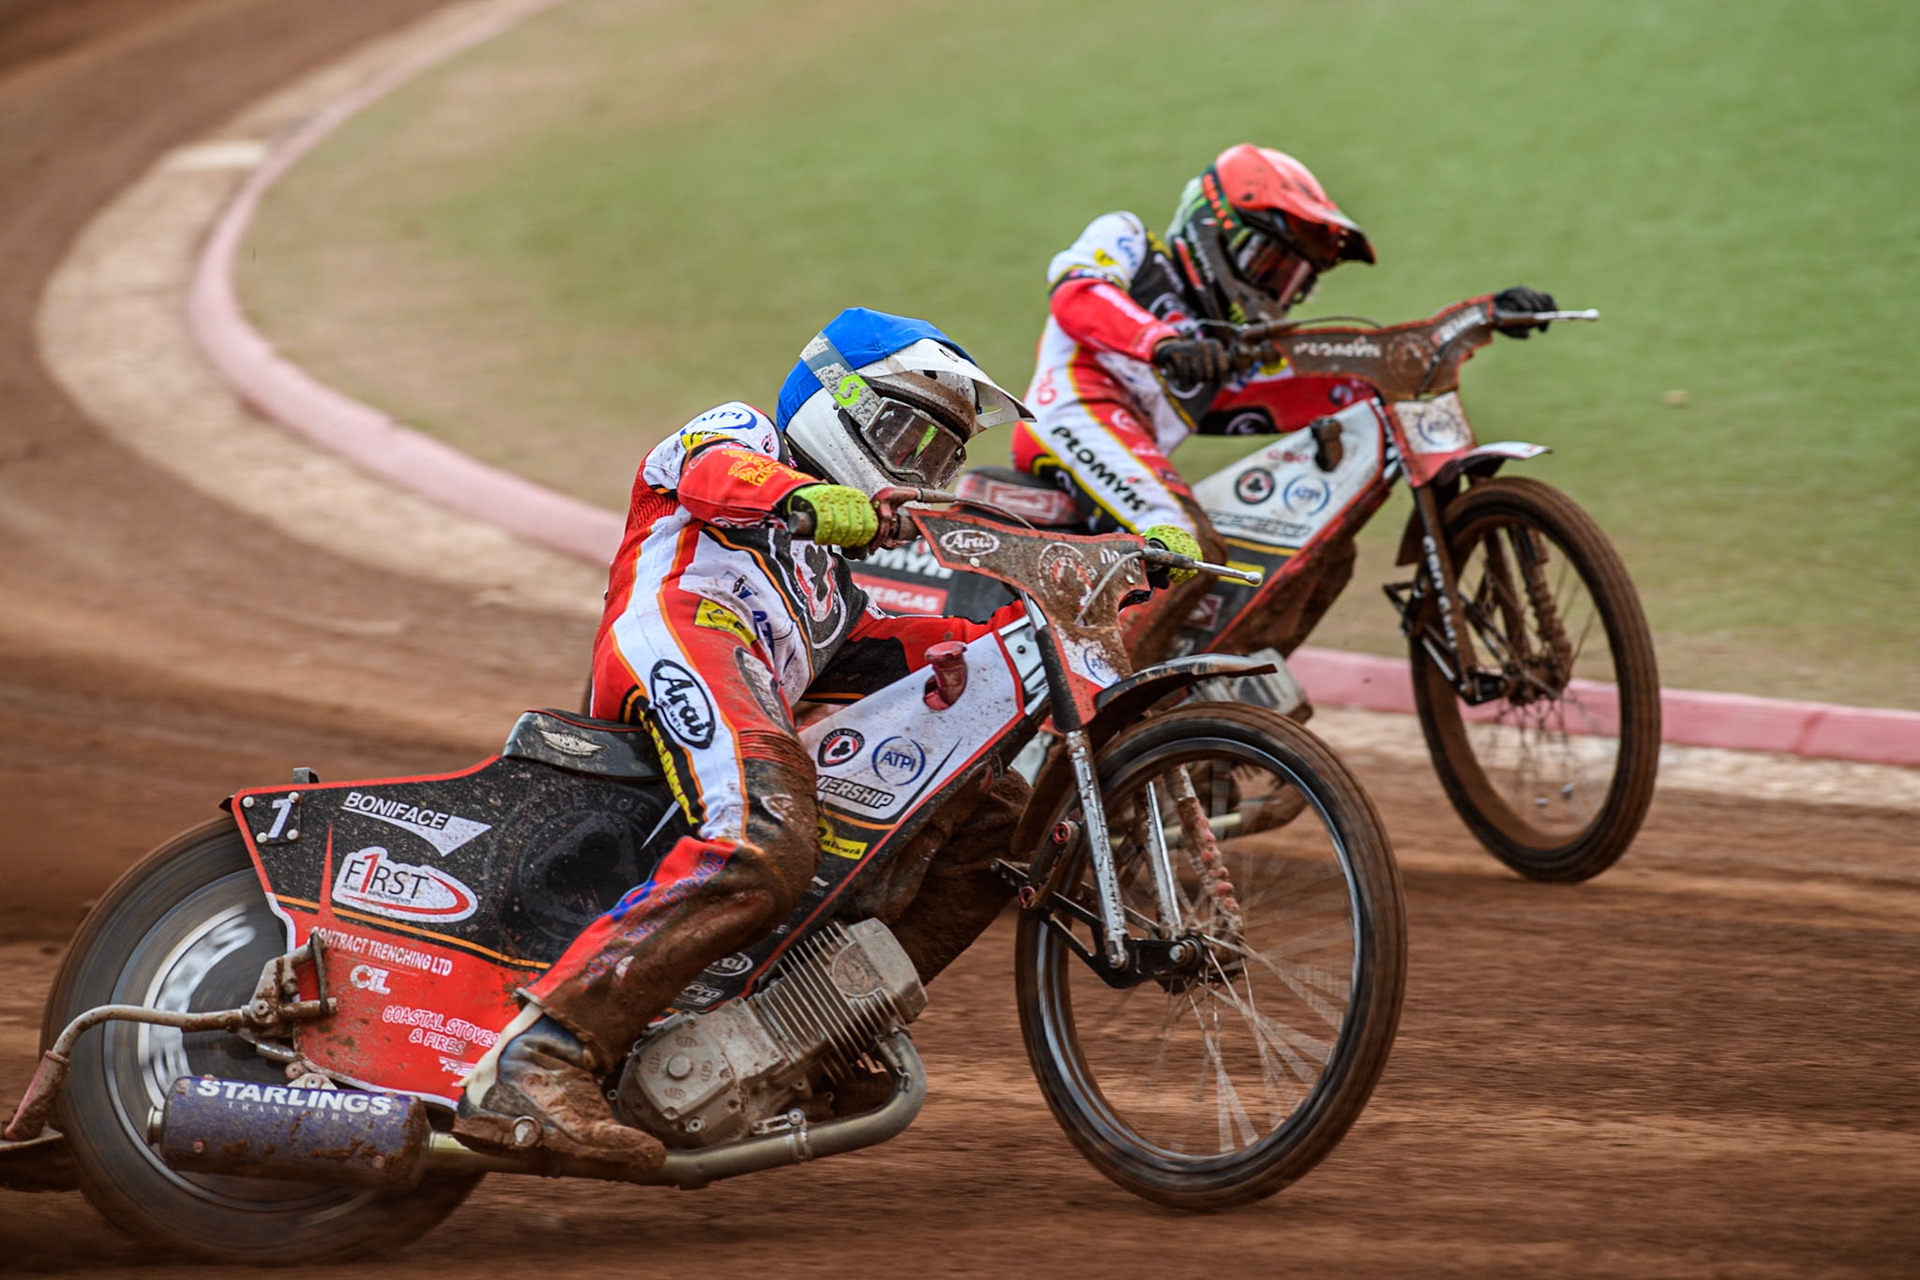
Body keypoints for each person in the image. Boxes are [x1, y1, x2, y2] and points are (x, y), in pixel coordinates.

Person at [454, 309, 1191, 1168]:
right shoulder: (743, 434)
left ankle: (813, 1035)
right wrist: (803, 499)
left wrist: (1093, 580)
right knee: (765, 833)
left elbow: (885, 650)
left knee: (999, 821)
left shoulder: (829, 588)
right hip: (680, 635)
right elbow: (714, 475)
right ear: (840, 404)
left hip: (745, 687)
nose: (919, 474)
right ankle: (538, 1058)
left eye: (940, 459)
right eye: (908, 440)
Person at [1011, 142, 1555, 679]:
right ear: (1211, 232)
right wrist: (1163, 344)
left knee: (1326, 559)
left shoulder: (1228, 348)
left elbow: (1353, 377)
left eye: (1294, 279)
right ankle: (1087, 699)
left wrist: (1476, 321)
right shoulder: (1128, 237)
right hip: (1066, 414)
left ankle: (1192, 708)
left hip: (1127, 445)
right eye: (1268, 263)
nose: (1275, 289)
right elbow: (1078, 292)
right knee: (1185, 545)